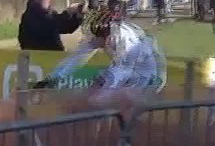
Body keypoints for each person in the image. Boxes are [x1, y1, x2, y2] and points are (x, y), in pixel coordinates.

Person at [38, 7, 167, 108]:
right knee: (97, 98)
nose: (94, 39)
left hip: (150, 74)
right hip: (129, 70)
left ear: (107, 34)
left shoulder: (126, 39)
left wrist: (104, 79)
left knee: (102, 100)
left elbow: (124, 69)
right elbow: (76, 57)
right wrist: (53, 78)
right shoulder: (103, 34)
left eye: (97, 36)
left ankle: (124, 135)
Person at [17, 0, 82, 51]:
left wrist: (77, 16)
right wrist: (68, 12)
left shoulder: (51, 13)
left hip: (54, 57)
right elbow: (50, 25)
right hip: (38, 57)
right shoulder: (30, 16)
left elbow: (65, 28)